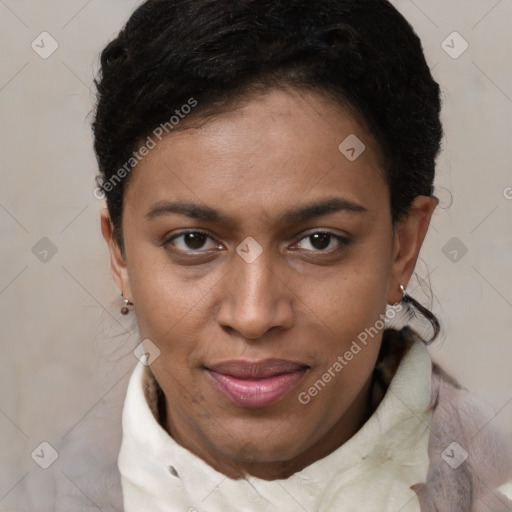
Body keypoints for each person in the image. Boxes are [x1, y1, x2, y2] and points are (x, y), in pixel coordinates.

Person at [87, 0, 512, 510]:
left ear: (403, 248)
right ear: (120, 254)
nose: (253, 315)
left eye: (319, 241)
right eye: (194, 241)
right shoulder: (46, 493)